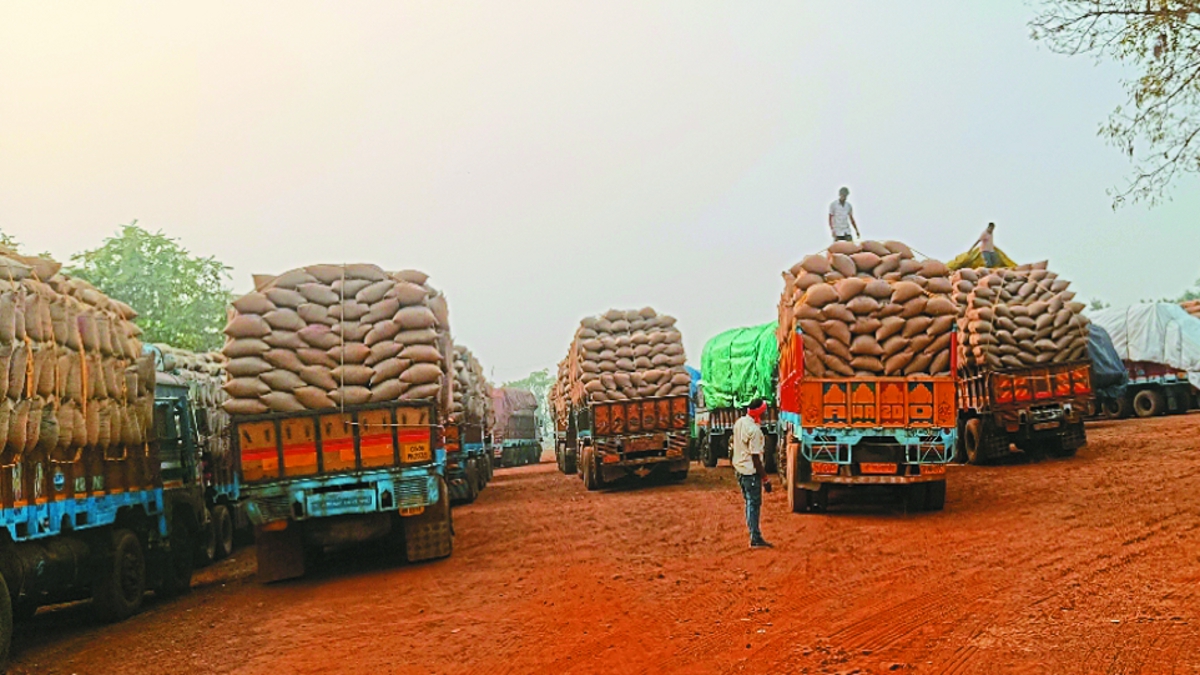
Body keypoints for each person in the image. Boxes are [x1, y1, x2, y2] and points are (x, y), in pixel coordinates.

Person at [731, 399, 773, 549]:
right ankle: (755, 537)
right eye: (764, 412)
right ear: (759, 413)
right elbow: (756, 458)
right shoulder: (755, 431)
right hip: (750, 472)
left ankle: (754, 535)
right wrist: (765, 479)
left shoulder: (739, 422)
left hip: (740, 470)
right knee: (753, 504)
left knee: (749, 503)